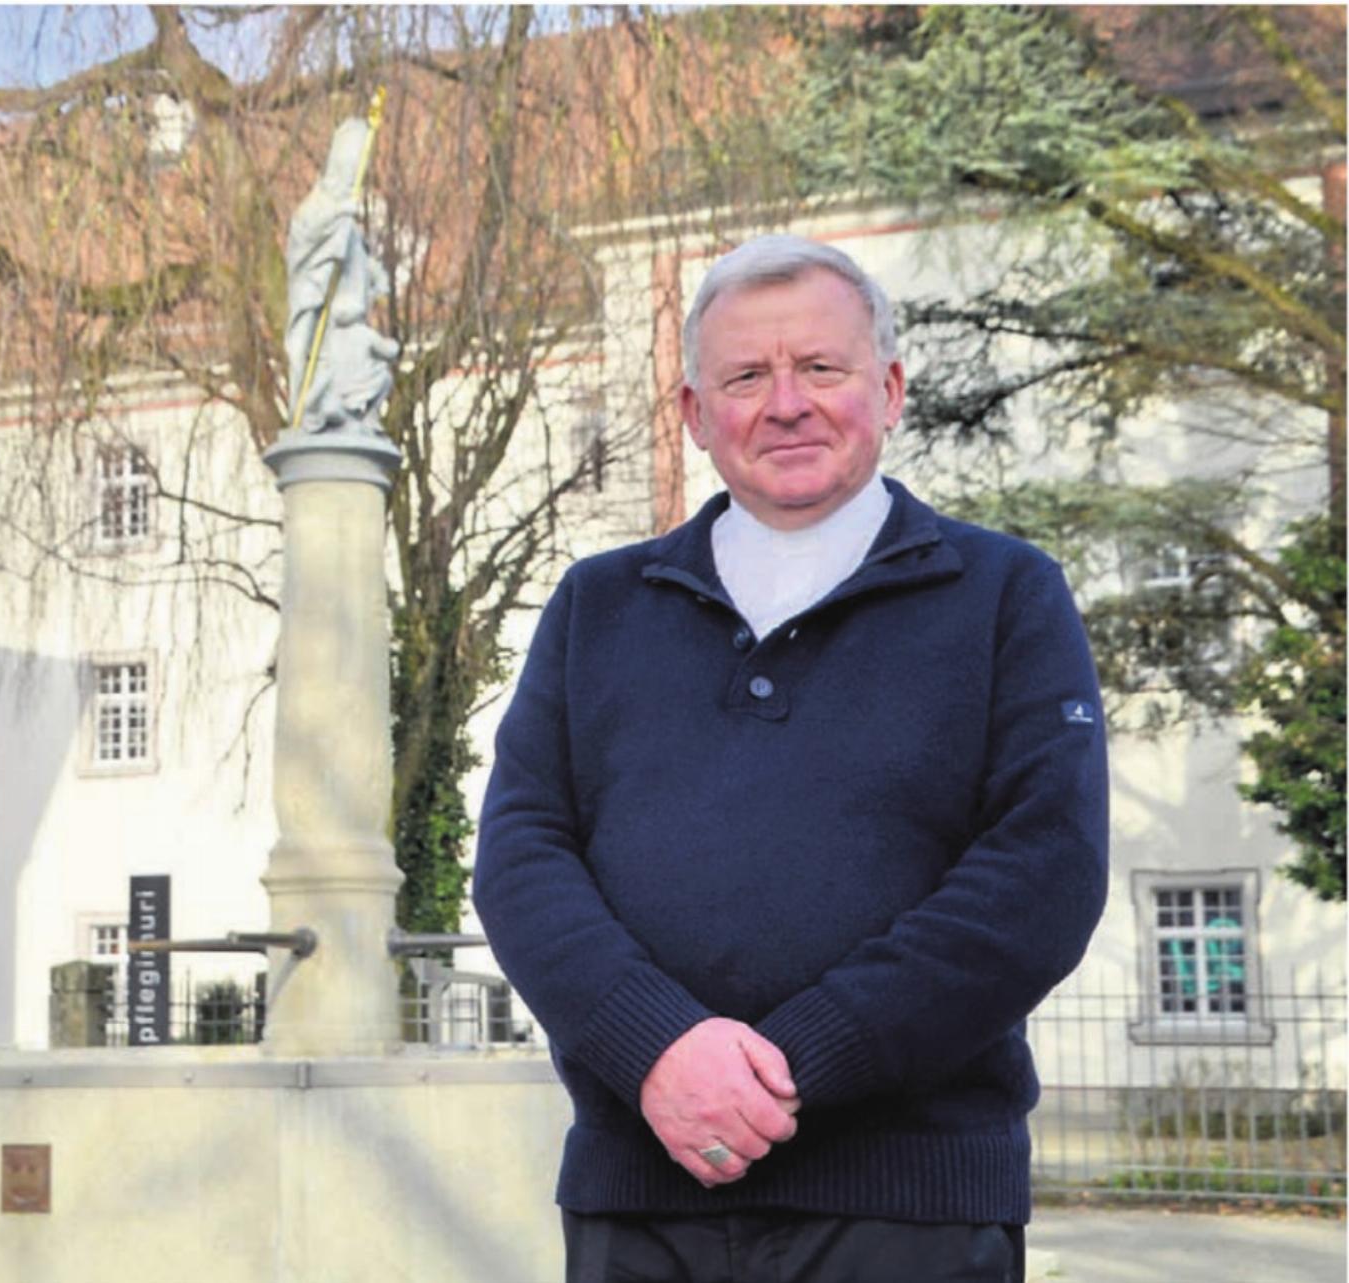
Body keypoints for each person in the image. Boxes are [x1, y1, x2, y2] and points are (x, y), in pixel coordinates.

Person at [472, 234, 1109, 1283]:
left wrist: (791, 1066)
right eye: (745, 376)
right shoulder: (598, 606)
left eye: (821, 367)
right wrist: (659, 1049)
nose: (787, 402)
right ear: (692, 413)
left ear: (890, 387)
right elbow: (524, 859)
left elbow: (1040, 875)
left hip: (910, 1208)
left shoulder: (1006, 595)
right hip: (639, 1201)